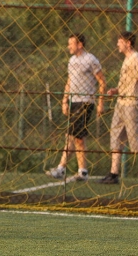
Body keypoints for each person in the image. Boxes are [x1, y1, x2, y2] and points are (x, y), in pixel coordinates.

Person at [98, 32, 138, 186]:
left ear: (128, 43)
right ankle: (113, 174)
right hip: (121, 103)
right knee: (116, 137)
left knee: (136, 140)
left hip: (132, 104)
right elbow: (127, 82)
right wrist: (116, 90)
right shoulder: (126, 59)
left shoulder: (137, 59)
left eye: (119, 42)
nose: (117, 45)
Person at [45, 34, 106, 181]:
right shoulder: (72, 61)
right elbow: (69, 81)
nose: (69, 46)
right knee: (74, 136)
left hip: (85, 102)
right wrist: (65, 100)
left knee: (75, 136)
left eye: (71, 43)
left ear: (80, 45)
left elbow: (102, 81)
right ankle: (78, 171)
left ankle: (66, 169)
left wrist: (101, 103)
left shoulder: (91, 60)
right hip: (74, 101)